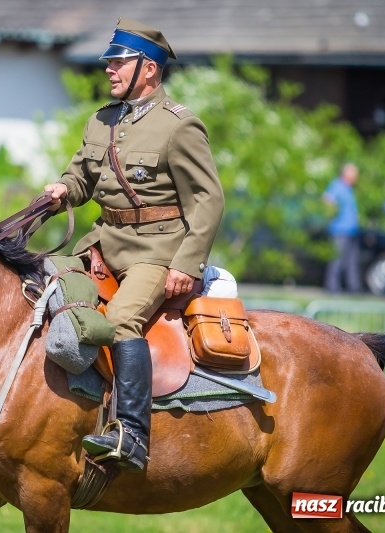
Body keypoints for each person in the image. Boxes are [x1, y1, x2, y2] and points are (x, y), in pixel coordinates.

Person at [44, 18, 224, 471]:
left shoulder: (178, 126)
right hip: (106, 242)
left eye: (119, 62)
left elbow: (208, 199)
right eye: (109, 62)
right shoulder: (101, 120)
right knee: (46, 287)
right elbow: (83, 177)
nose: (109, 69)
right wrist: (63, 189)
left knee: (122, 319)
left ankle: (132, 435)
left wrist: (188, 263)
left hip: (158, 252)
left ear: (149, 69)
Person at [322, 163, 362, 293]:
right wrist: (331, 213)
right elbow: (327, 199)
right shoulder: (337, 185)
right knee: (337, 259)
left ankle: (353, 287)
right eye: (354, 173)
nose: (356, 176)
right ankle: (332, 286)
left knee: (351, 261)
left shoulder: (349, 188)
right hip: (340, 230)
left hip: (351, 230)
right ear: (346, 173)